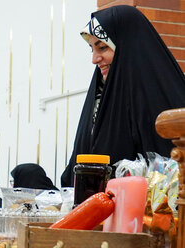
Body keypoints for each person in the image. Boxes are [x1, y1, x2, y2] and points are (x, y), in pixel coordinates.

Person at [61, 5, 185, 187]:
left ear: (127, 46)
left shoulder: (159, 96)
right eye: (92, 49)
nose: (94, 59)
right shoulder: (100, 97)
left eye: (102, 47)